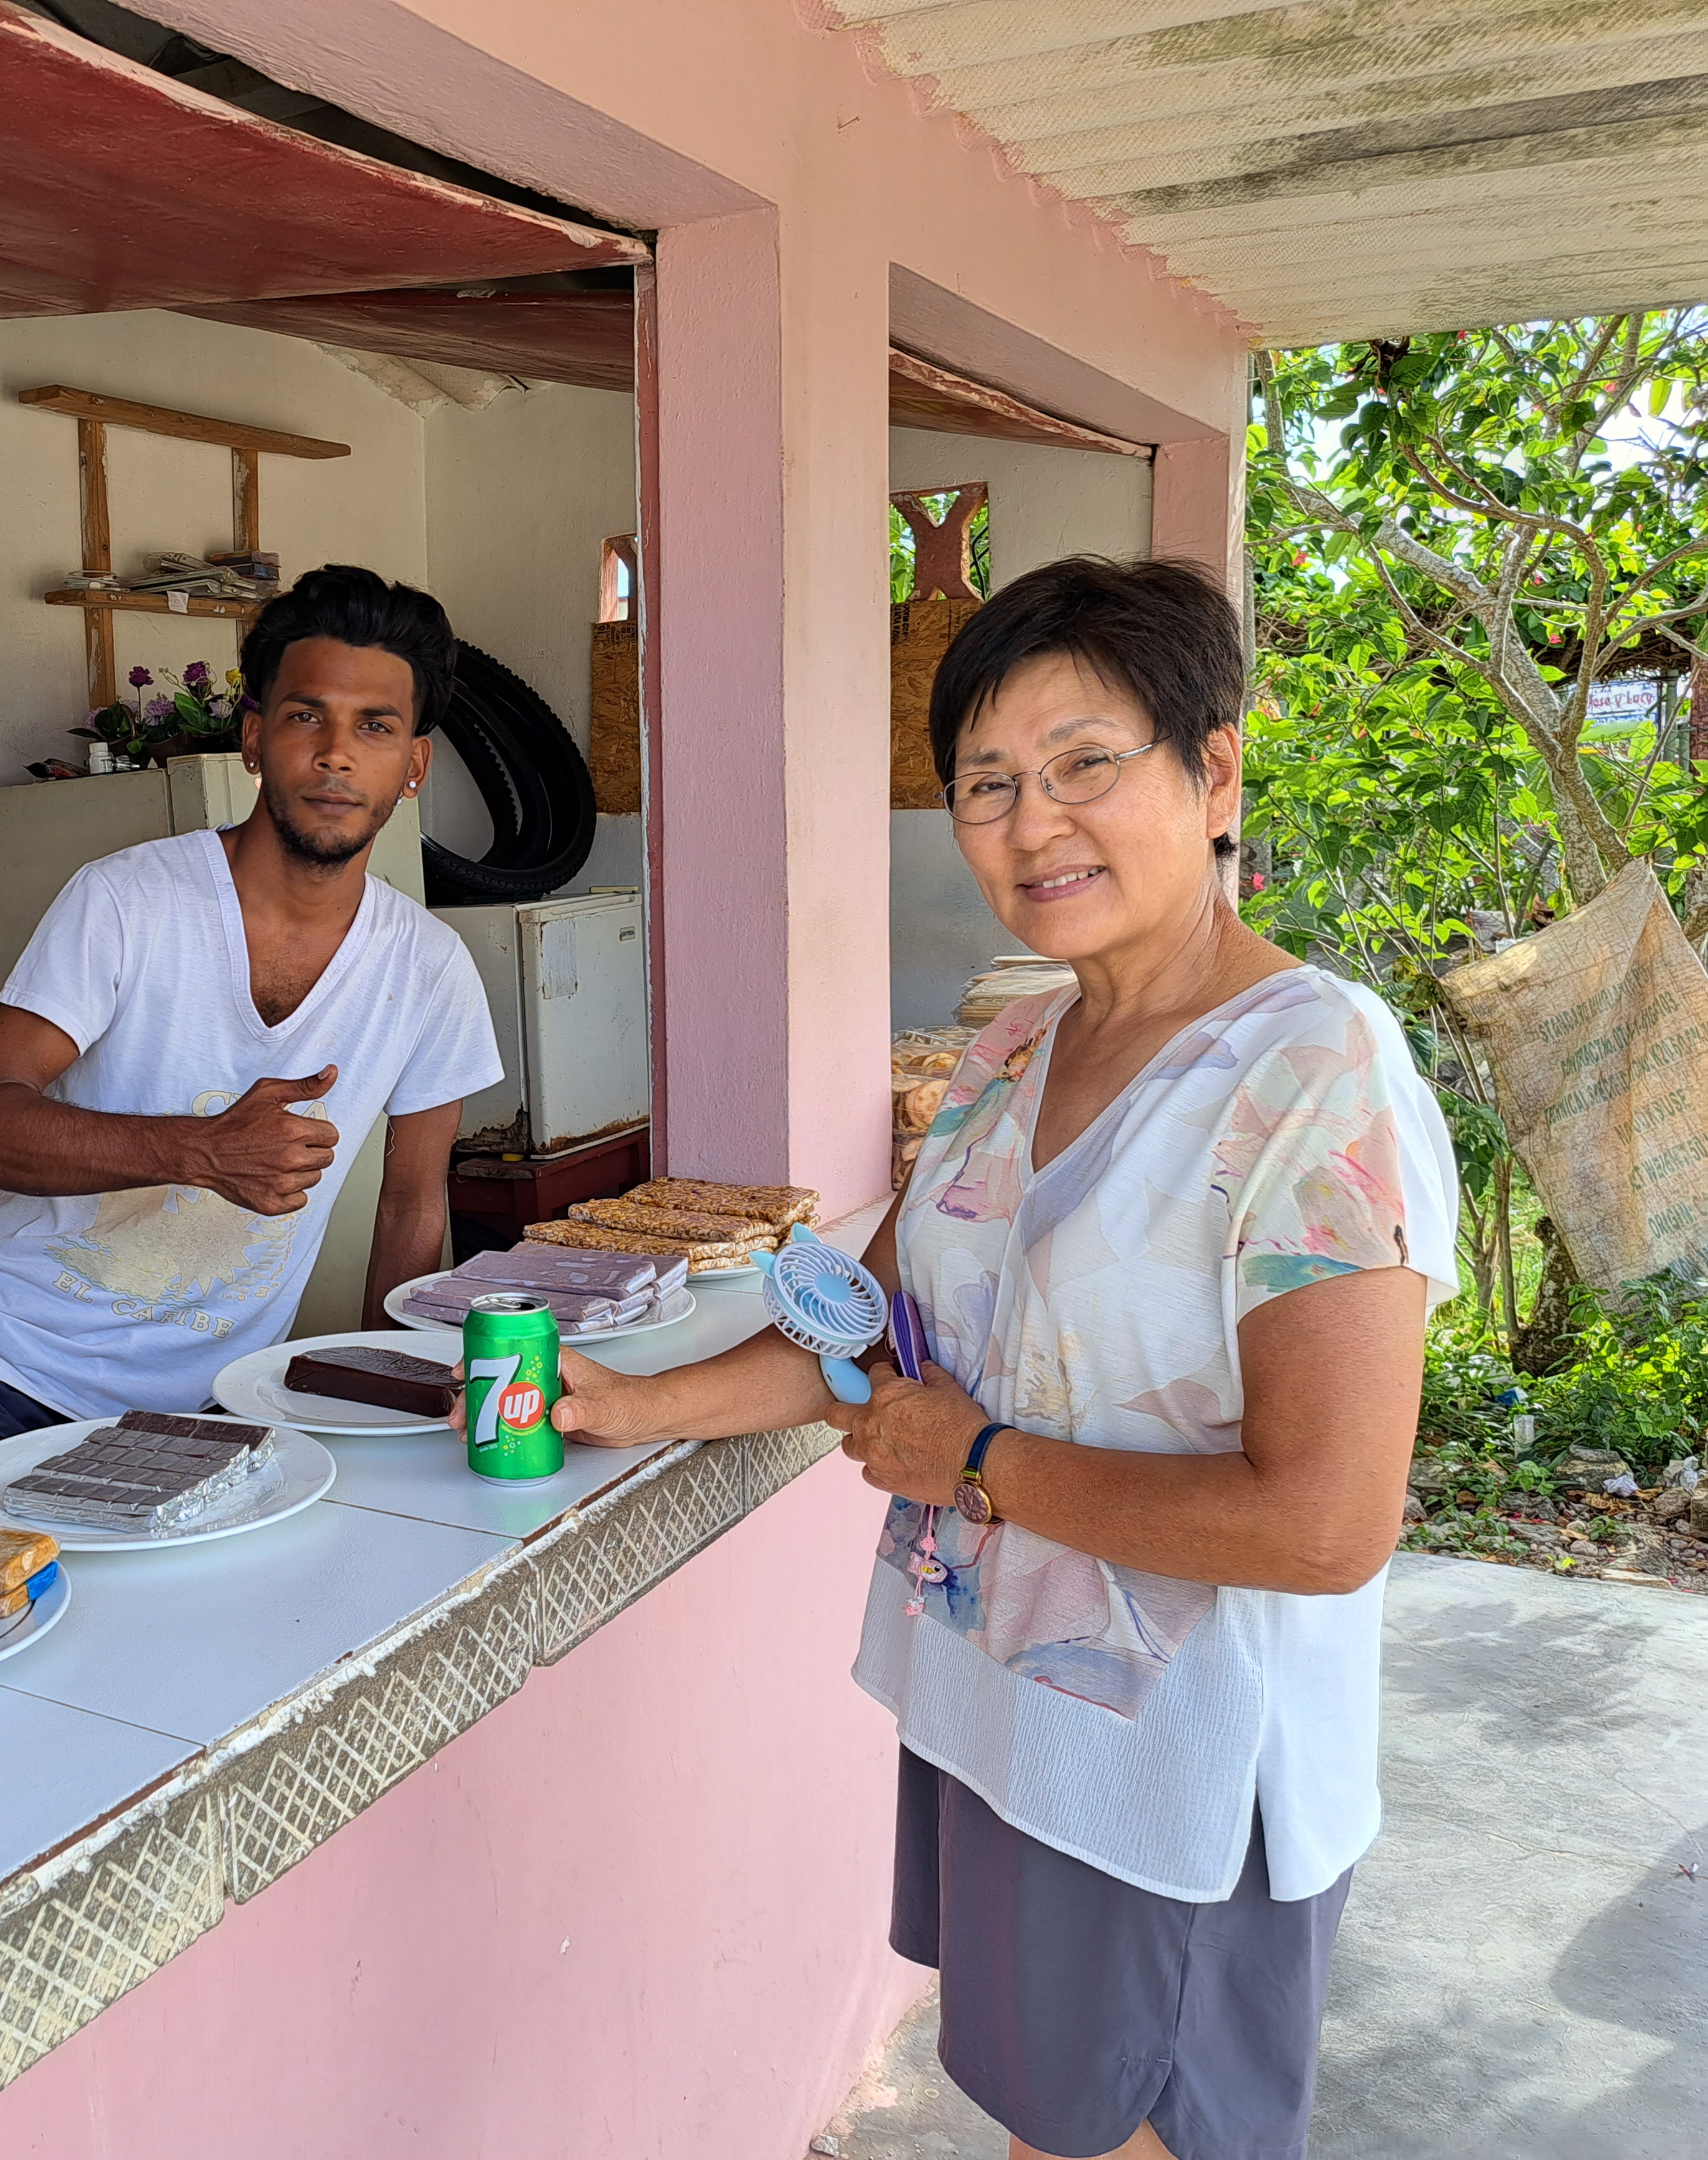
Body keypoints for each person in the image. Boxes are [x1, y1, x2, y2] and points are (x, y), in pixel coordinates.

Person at [532, 556, 1457, 2160]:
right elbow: (878, 1316)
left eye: (1084, 764)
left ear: (1214, 771)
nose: (1034, 825)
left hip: (1175, 1772)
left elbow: (1323, 1526)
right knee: (1049, 2132)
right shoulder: (1016, 1044)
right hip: (1009, 1715)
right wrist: (633, 1401)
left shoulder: (1316, 1076)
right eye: (986, 784)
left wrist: (973, 1465)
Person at [0, 564, 502, 1524]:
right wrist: (198, 1150)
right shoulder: (128, 901)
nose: (338, 754)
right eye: (306, 717)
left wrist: (385, 1402)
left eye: (375, 727)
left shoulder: (428, 967)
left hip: (213, 1414)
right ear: (254, 737)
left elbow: (411, 1207)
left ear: (414, 765)